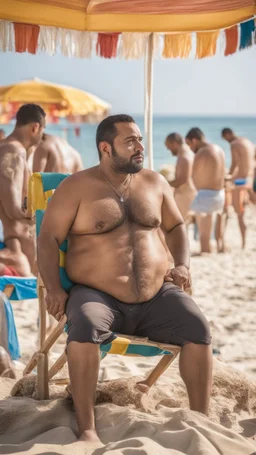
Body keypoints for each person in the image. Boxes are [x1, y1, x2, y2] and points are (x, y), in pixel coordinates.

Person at [38, 115, 212, 446]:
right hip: (97, 295)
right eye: (130, 141)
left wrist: (183, 265)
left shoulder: (155, 182)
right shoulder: (75, 187)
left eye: (140, 140)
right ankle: (87, 427)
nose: (141, 148)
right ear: (105, 148)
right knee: (86, 326)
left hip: (157, 295)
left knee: (197, 327)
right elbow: (47, 239)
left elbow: (175, 228)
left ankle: (200, 418)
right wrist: (55, 288)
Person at [0, 104, 46, 273]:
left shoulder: (11, 149)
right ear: (35, 127)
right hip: (20, 249)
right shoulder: (13, 150)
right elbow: (13, 209)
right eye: (43, 130)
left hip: (17, 243)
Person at [186, 128, 225, 254]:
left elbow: (193, 176)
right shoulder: (219, 149)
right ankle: (218, 247)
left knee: (204, 233)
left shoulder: (201, 153)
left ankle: (205, 251)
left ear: (195, 140)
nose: (190, 148)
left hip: (206, 196)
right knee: (211, 228)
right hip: (219, 194)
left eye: (189, 144)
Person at [221, 128, 255, 248]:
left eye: (226, 139)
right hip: (249, 181)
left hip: (239, 182)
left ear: (228, 134)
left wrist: (228, 176)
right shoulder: (248, 142)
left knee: (239, 214)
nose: (227, 141)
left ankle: (243, 244)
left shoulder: (234, 144)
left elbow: (235, 164)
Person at [165, 133, 196, 223]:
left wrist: (163, 183)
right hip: (190, 193)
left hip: (185, 195)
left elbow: (182, 180)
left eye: (168, 146)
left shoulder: (184, 157)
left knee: (179, 223)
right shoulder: (189, 153)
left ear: (175, 143)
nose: (168, 149)